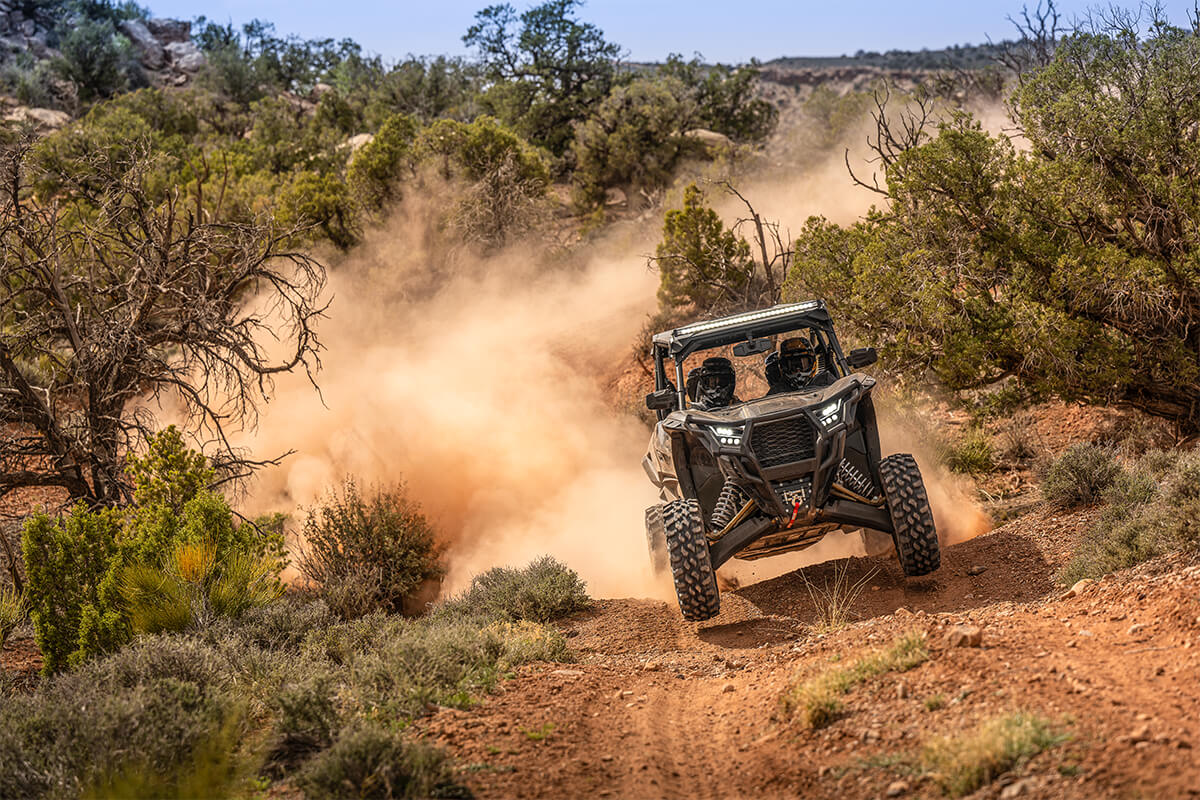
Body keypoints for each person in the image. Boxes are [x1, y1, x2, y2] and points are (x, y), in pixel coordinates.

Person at [766, 337, 834, 394]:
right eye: (793, 365)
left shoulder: (826, 380)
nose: (798, 370)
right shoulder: (776, 392)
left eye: (803, 364)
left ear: (812, 363)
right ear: (784, 367)